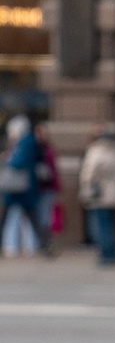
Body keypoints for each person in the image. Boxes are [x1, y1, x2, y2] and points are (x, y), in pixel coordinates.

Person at [77, 123, 115, 266]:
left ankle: (105, 254)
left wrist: (86, 187)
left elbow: (88, 174)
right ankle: (112, 252)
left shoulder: (96, 152)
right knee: (113, 226)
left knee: (101, 226)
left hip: (99, 194)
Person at [1, 105, 39, 254]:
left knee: (19, 219)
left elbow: (18, 162)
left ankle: (18, 245)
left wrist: (6, 161)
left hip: (20, 187)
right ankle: (25, 245)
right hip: (20, 188)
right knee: (23, 218)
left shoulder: (26, 142)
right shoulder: (24, 142)